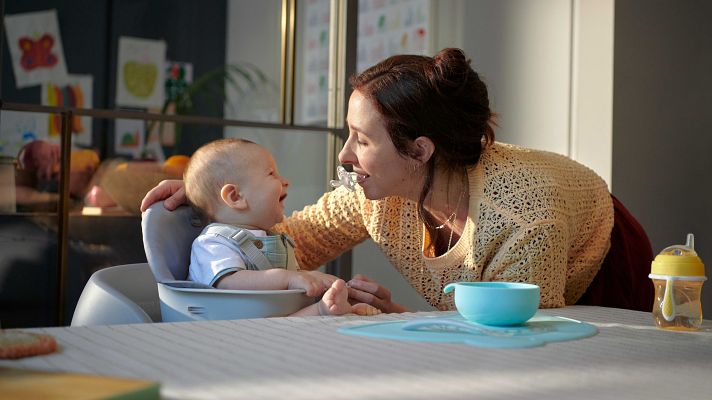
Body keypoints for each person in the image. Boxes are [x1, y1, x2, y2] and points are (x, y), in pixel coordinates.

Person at [142, 48, 653, 313]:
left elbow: (517, 337)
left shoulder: (523, 217)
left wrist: (402, 316)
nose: (345, 157)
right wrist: (209, 195)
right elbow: (283, 243)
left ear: (420, 150)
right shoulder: (372, 193)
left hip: (601, 265)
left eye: (361, 140)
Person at [183, 138, 380, 316]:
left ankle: (334, 310)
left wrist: (315, 279)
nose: (285, 181)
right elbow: (228, 283)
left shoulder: (271, 237)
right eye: (271, 174)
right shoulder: (212, 243)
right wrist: (287, 278)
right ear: (236, 197)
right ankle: (328, 311)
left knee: (319, 310)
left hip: (271, 322)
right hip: (230, 326)